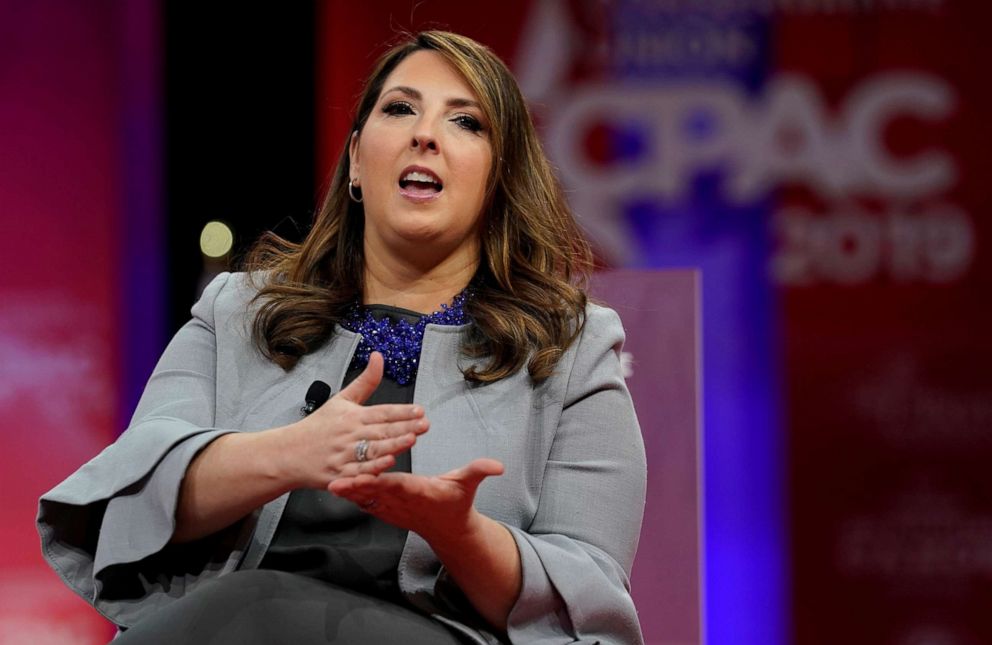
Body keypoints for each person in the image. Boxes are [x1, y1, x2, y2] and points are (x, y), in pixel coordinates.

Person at [37, 31, 646, 644]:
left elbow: (589, 599)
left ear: (501, 176)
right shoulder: (238, 311)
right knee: (244, 605)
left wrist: (458, 531)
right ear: (356, 158)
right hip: (216, 628)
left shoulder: (571, 350)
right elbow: (131, 503)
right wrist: (288, 453)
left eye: (466, 122)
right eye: (400, 108)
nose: (425, 134)